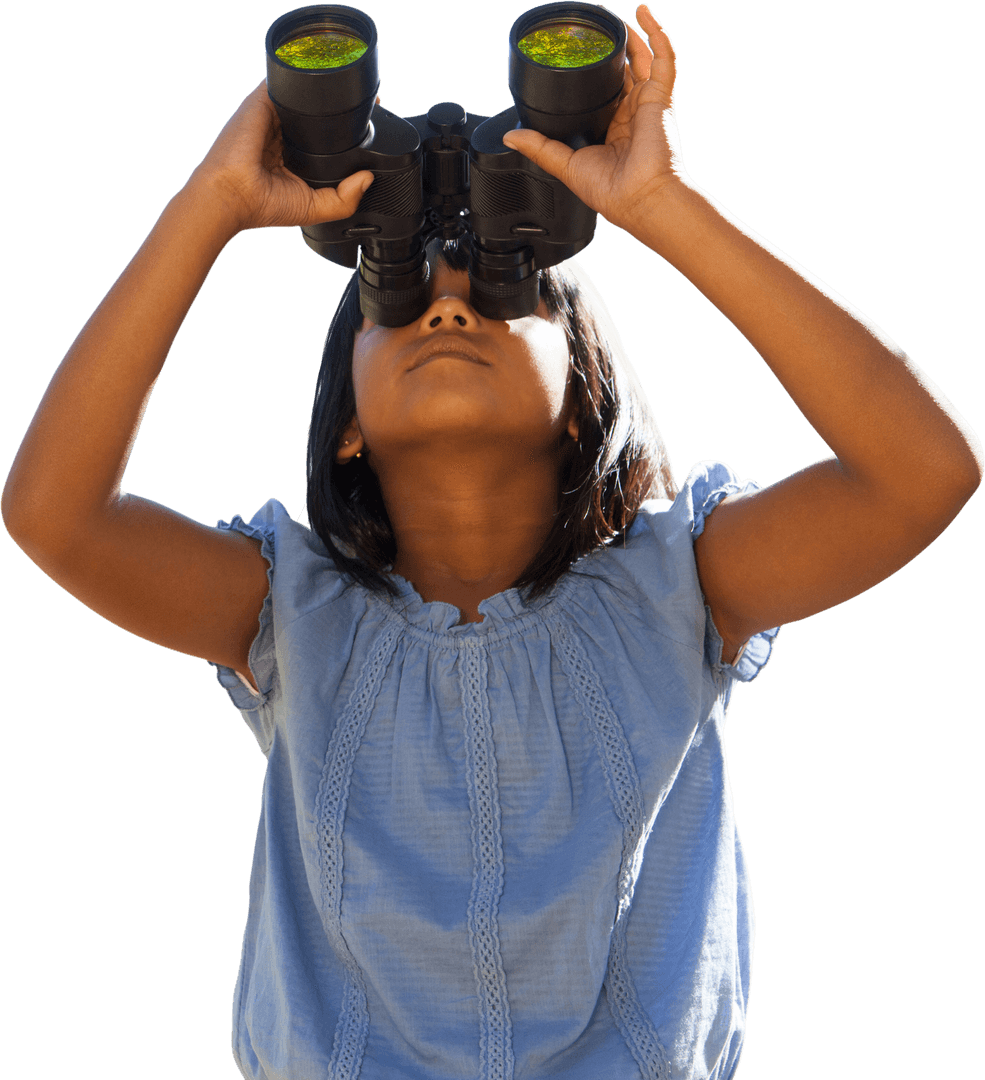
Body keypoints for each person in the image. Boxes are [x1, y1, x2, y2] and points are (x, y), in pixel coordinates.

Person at [2, 5, 980, 1080]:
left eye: (503, 286)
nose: (448, 308)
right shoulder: (291, 610)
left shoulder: (681, 582)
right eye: (399, 293)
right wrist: (212, 204)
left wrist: (663, 205)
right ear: (343, 430)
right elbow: (56, 514)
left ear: (583, 395)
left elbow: (924, 474)